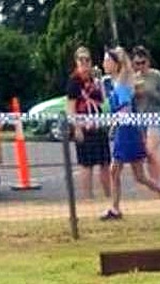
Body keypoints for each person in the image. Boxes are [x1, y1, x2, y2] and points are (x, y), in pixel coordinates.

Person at [100, 47, 160, 220]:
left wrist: (121, 55)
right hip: (123, 128)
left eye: (107, 60)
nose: (104, 64)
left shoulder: (125, 77)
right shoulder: (112, 81)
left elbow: (127, 69)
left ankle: (116, 208)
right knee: (139, 176)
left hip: (129, 131)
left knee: (118, 170)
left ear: (116, 63)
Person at [66, 47, 111, 200]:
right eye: (81, 60)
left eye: (87, 60)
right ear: (76, 62)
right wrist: (77, 128)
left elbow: (102, 100)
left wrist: (100, 82)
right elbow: (70, 108)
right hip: (84, 125)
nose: (85, 63)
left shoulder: (94, 80)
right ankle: (88, 198)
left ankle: (108, 195)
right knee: (87, 164)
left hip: (98, 123)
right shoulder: (74, 82)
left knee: (105, 162)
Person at [132, 45, 160, 195]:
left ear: (148, 62)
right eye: (137, 63)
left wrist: (150, 92)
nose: (140, 67)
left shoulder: (156, 76)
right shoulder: (132, 78)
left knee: (152, 149)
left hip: (155, 117)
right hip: (140, 120)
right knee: (148, 155)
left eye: (143, 63)